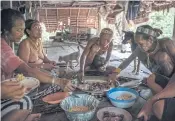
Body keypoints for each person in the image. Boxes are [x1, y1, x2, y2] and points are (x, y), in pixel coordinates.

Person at [1, 8, 75, 121]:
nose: (21, 33)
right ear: (6, 31)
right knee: (25, 101)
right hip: (15, 84)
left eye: (22, 29)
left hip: (17, 82)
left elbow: (42, 58)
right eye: (18, 30)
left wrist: (49, 64)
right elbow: (26, 69)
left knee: (58, 77)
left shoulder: (36, 42)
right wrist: (57, 80)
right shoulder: (8, 47)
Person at [109, 25, 175, 93]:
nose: (139, 47)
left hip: (172, 80)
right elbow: (127, 61)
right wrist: (116, 72)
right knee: (150, 81)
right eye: (137, 44)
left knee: (162, 56)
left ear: (150, 40)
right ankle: (164, 93)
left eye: (141, 44)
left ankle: (168, 92)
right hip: (159, 78)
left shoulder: (166, 43)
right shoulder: (140, 49)